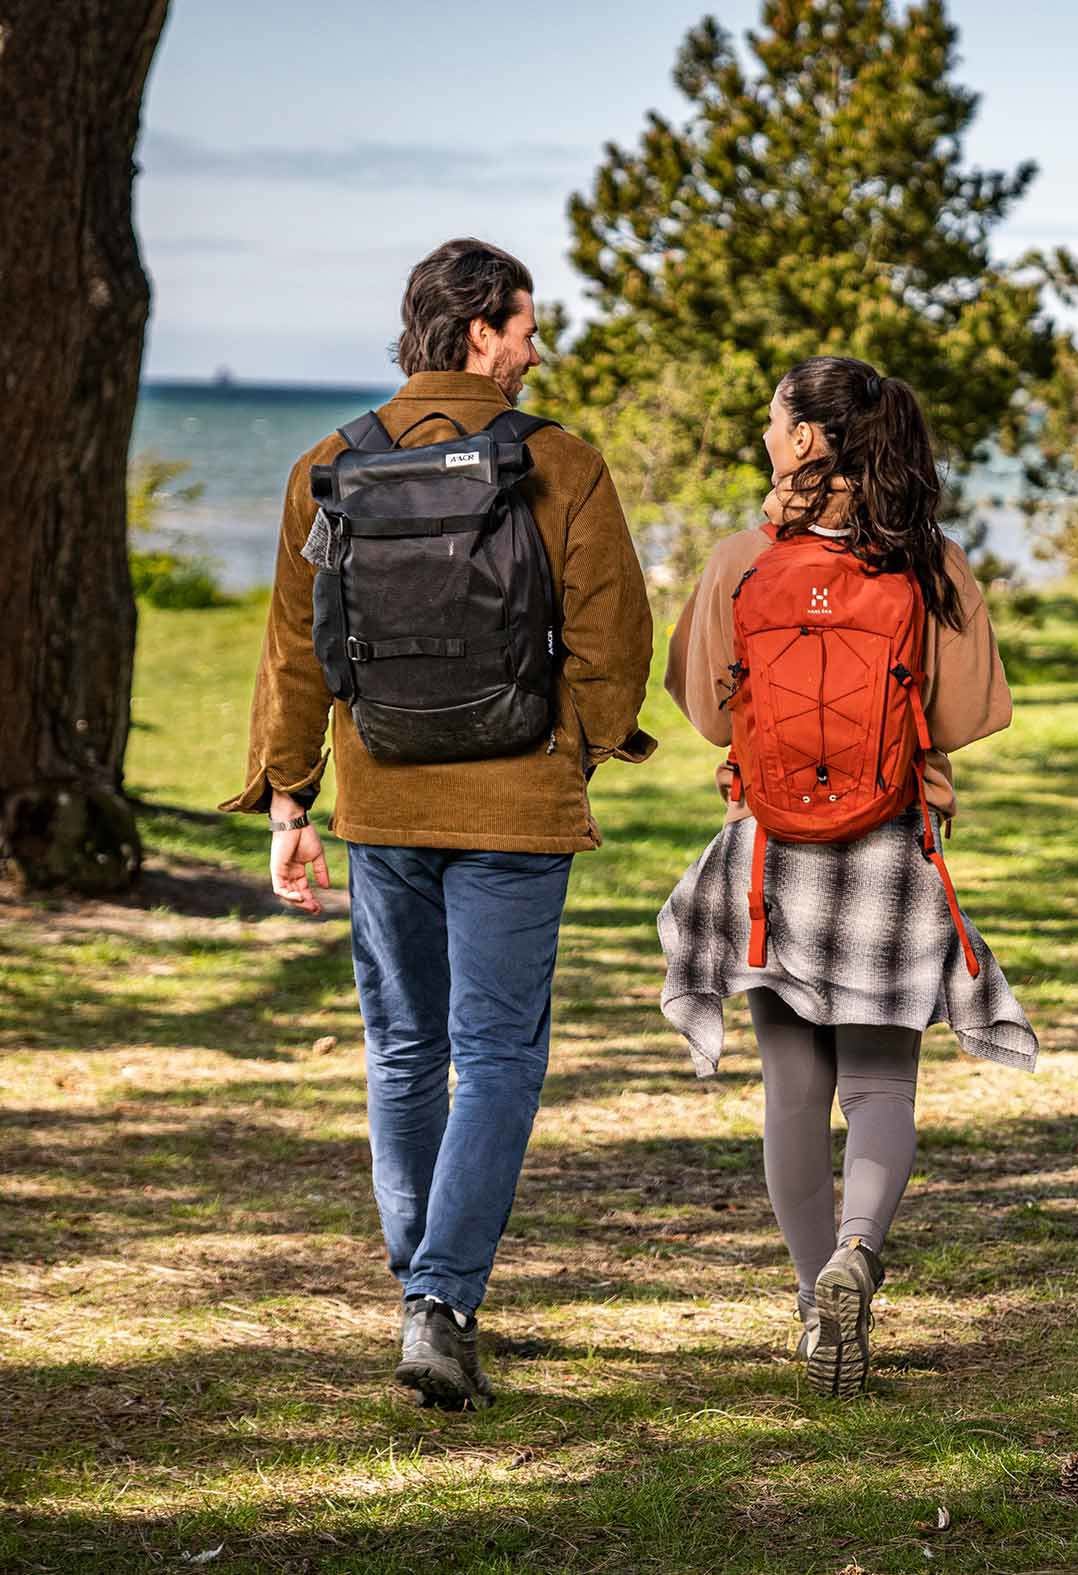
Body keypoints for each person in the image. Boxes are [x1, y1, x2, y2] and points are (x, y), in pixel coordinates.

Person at [219, 237, 656, 1408]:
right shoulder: (559, 463)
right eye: (523, 324)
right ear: (478, 332)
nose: (532, 345)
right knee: (500, 1053)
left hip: (383, 802)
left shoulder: (330, 463)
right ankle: (443, 1303)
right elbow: (616, 643)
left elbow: (297, 650)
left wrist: (291, 795)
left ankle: (426, 1290)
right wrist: (575, 753)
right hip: (517, 806)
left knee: (406, 1051)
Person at [659, 354, 1037, 1398]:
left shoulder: (740, 561)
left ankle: (808, 1301)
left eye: (775, 419)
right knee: (879, 1083)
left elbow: (701, 708)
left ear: (807, 442)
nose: (765, 430)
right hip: (888, 848)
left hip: (772, 851)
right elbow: (967, 715)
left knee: (793, 1091)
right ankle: (856, 1257)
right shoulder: (932, 565)